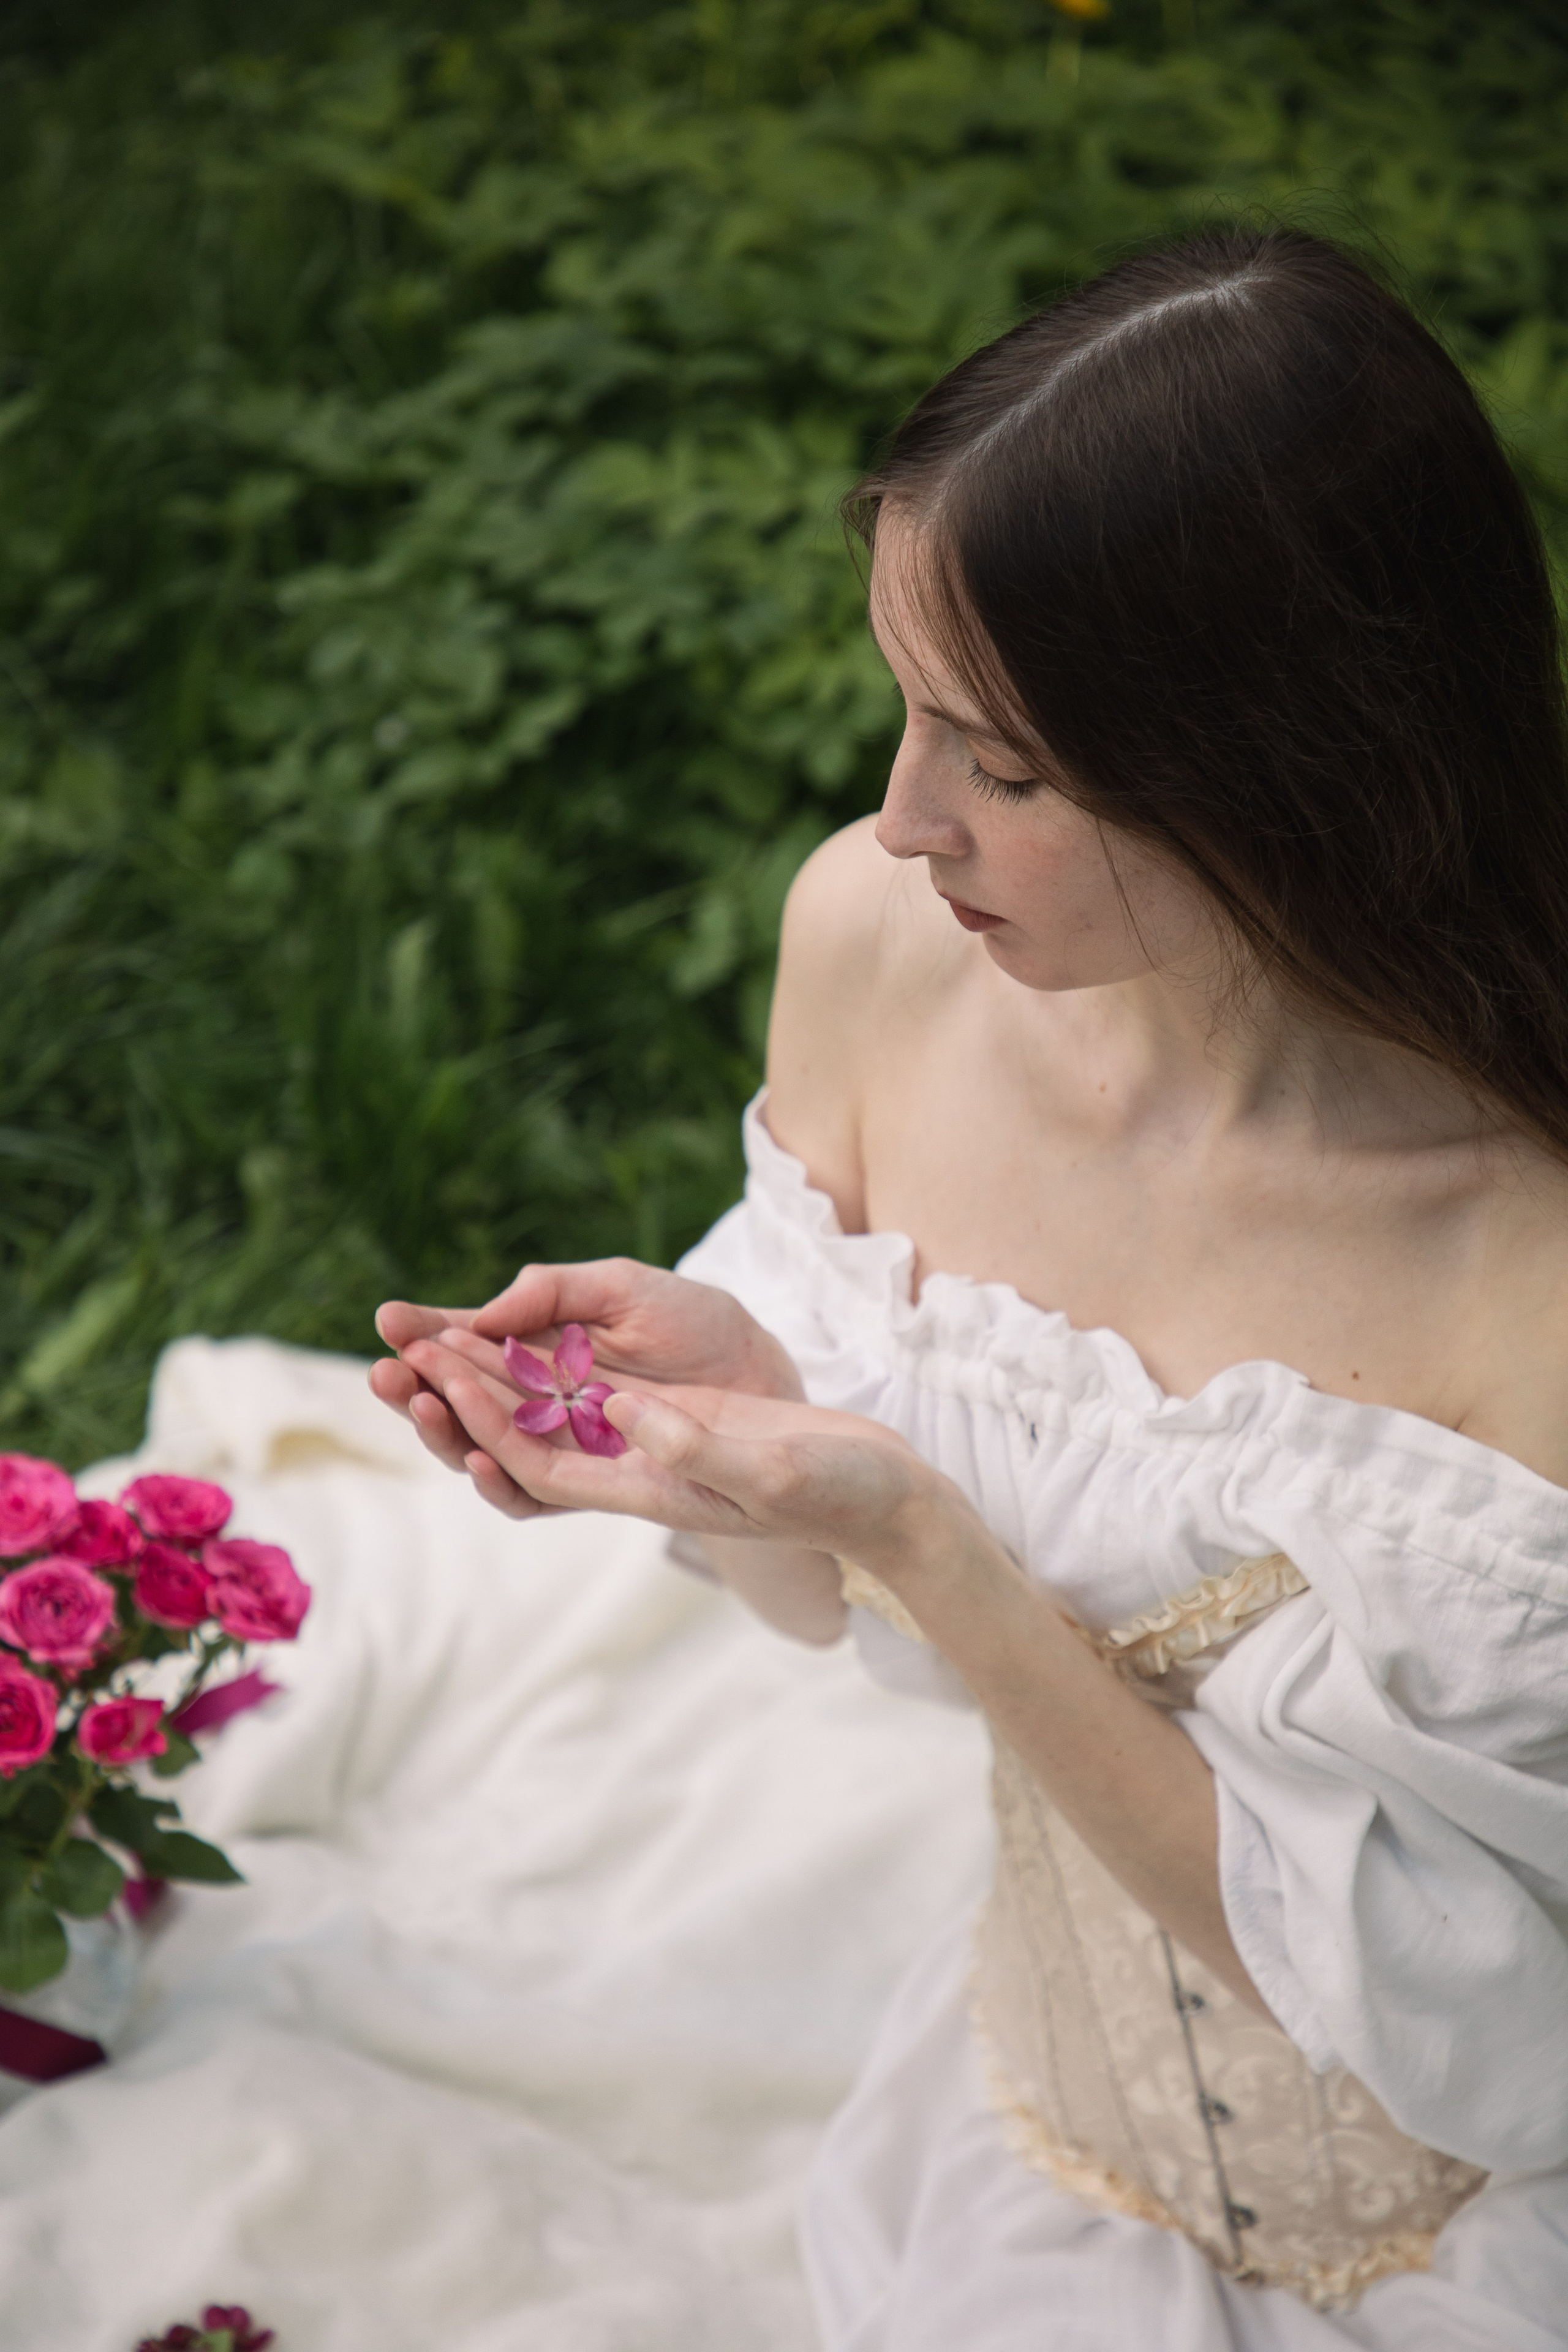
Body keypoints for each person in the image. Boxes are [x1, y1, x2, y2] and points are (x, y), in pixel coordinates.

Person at [369, 227, 1568, 2348]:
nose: (906, 820)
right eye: (906, 717)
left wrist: (921, 1523)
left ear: (1293, 761)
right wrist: (751, 1403)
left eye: (1004, 767)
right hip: (1026, 2129)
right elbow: (817, 1611)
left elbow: (1471, 2020)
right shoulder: (878, 948)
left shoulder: (1524, 1266)